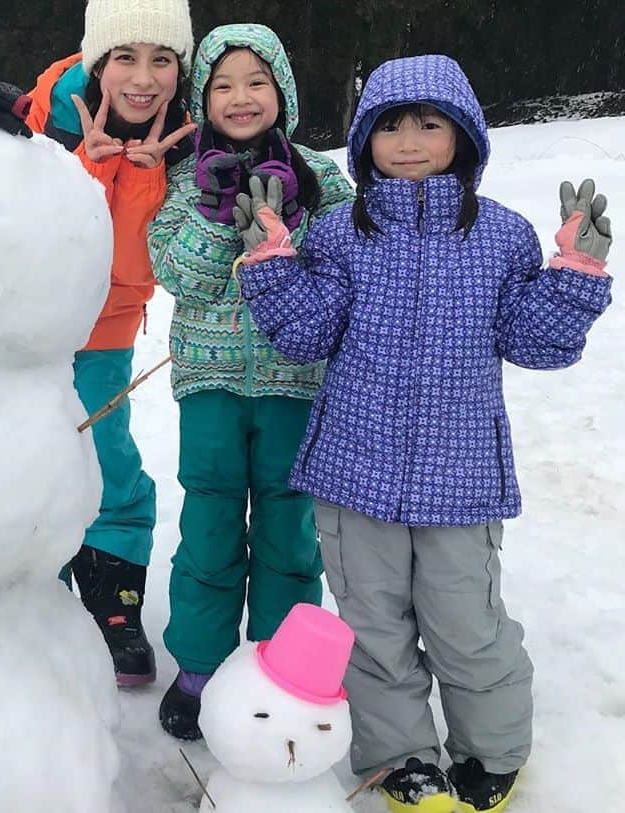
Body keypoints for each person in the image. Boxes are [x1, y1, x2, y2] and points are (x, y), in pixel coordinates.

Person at [234, 54, 613, 813]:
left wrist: (573, 272)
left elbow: (536, 341)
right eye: (390, 126)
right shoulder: (342, 232)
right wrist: (272, 261)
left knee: (468, 628)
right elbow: (306, 335)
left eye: (430, 124)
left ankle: (492, 750)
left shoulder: (501, 235)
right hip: (354, 472)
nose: (409, 141)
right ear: (366, 137)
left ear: (464, 136)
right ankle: (402, 757)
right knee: (373, 631)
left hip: (460, 474)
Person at [146, 22, 353, 740]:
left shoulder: (322, 177)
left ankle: (278, 661)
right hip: (210, 383)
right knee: (208, 523)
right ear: (203, 100)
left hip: (298, 382)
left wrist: (293, 221)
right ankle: (200, 664)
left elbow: (347, 272)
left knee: (290, 530)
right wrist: (210, 215)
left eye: (256, 82)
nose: (240, 97)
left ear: (282, 92)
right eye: (223, 85)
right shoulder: (181, 180)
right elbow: (177, 276)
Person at [24, 0, 197, 687]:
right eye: (125, 57)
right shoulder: (39, 124)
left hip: (107, 328)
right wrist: (87, 168)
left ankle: (113, 598)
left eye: (162, 60)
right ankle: (31, 584)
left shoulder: (186, 136)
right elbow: (31, 241)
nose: (143, 78)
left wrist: (144, 175)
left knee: (108, 456)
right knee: (22, 451)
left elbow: (131, 265)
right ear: (97, 62)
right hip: (28, 327)